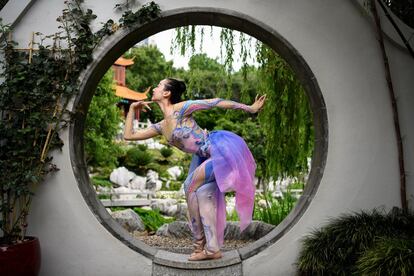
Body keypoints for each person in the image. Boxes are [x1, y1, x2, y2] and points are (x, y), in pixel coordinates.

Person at [124, 78, 266, 261]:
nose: (155, 88)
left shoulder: (181, 109)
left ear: (167, 93)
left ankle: (199, 245)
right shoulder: (161, 126)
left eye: (159, 85)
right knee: (202, 194)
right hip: (209, 160)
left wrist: (250, 108)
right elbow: (129, 135)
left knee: (189, 184)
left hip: (220, 151)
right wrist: (132, 110)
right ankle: (212, 248)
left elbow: (214, 102)